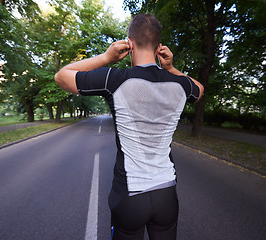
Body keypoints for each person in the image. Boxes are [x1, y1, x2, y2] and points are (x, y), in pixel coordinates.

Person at [55, 14, 204, 240]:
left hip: (130, 195)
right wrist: (172, 68)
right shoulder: (180, 84)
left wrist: (106, 57)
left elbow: (62, 76)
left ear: (130, 44)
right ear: (158, 48)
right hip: (166, 193)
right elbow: (199, 89)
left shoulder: (115, 79)